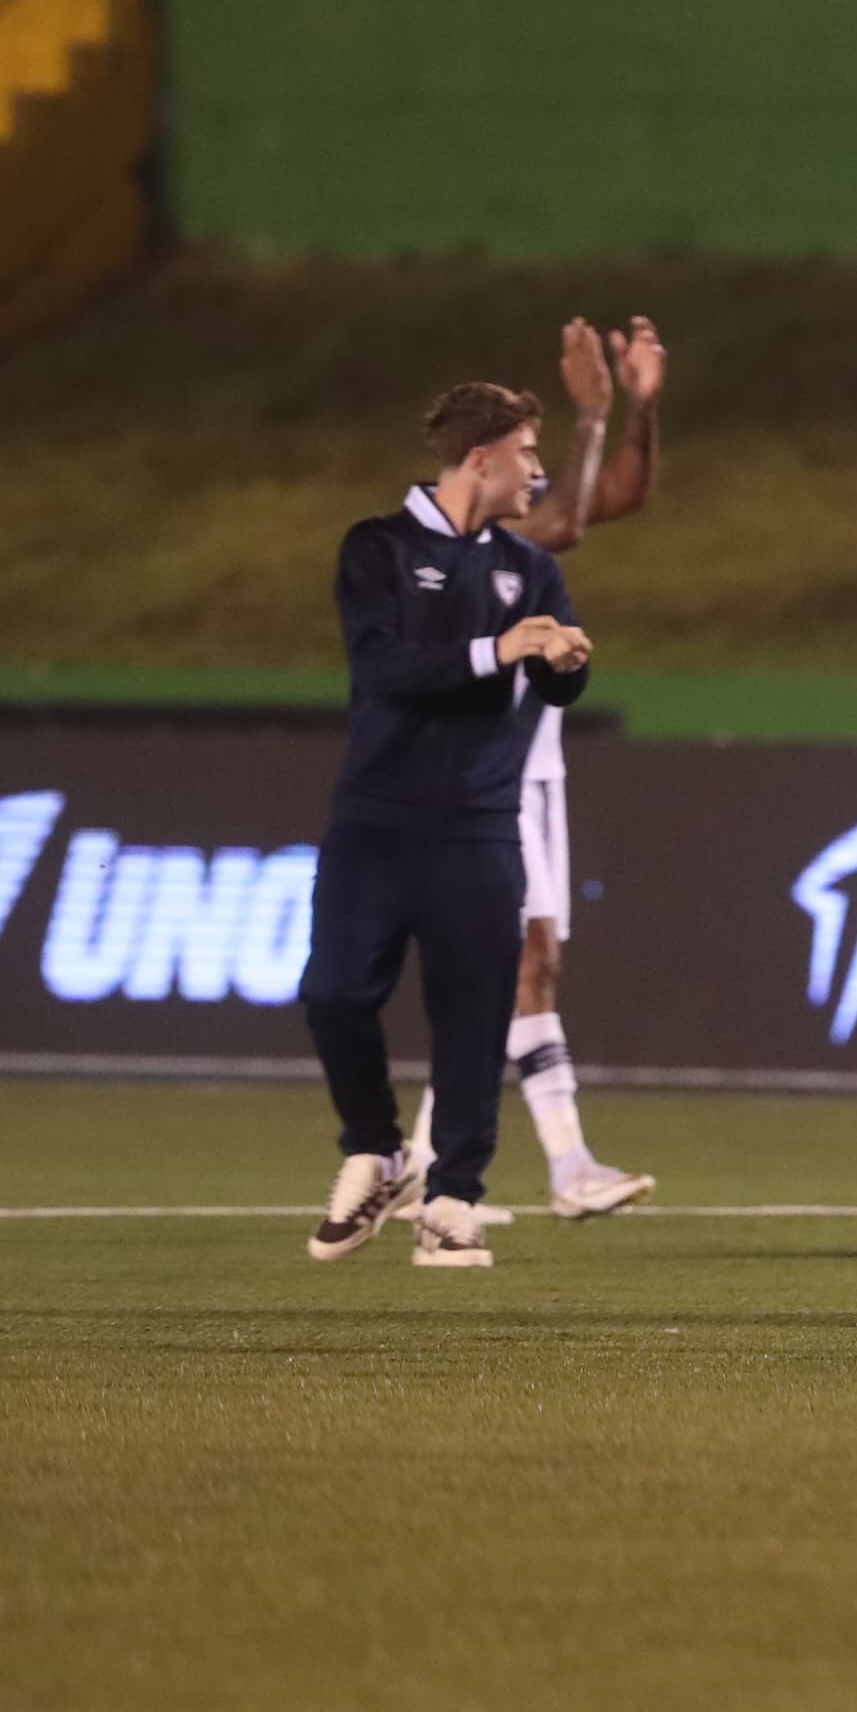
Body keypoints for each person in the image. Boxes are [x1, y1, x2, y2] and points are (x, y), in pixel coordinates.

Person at [302, 383, 593, 1270]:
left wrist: (565, 660)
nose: (537, 470)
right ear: (481, 458)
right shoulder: (376, 548)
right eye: (527, 452)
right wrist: (500, 649)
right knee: (333, 993)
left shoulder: (530, 568)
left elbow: (553, 682)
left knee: (473, 1017)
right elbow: (383, 668)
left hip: (481, 823)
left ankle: (453, 1199)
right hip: (378, 816)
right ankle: (376, 1147)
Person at [498, 312, 667, 1222]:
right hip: (480, 775)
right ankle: (564, 1166)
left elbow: (617, 495)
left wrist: (640, 407)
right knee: (524, 959)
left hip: (534, 769)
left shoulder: (515, 516)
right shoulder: (455, 536)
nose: (539, 468)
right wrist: (593, 413)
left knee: (518, 966)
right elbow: (566, 515)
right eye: (526, 451)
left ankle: (426, 1166)